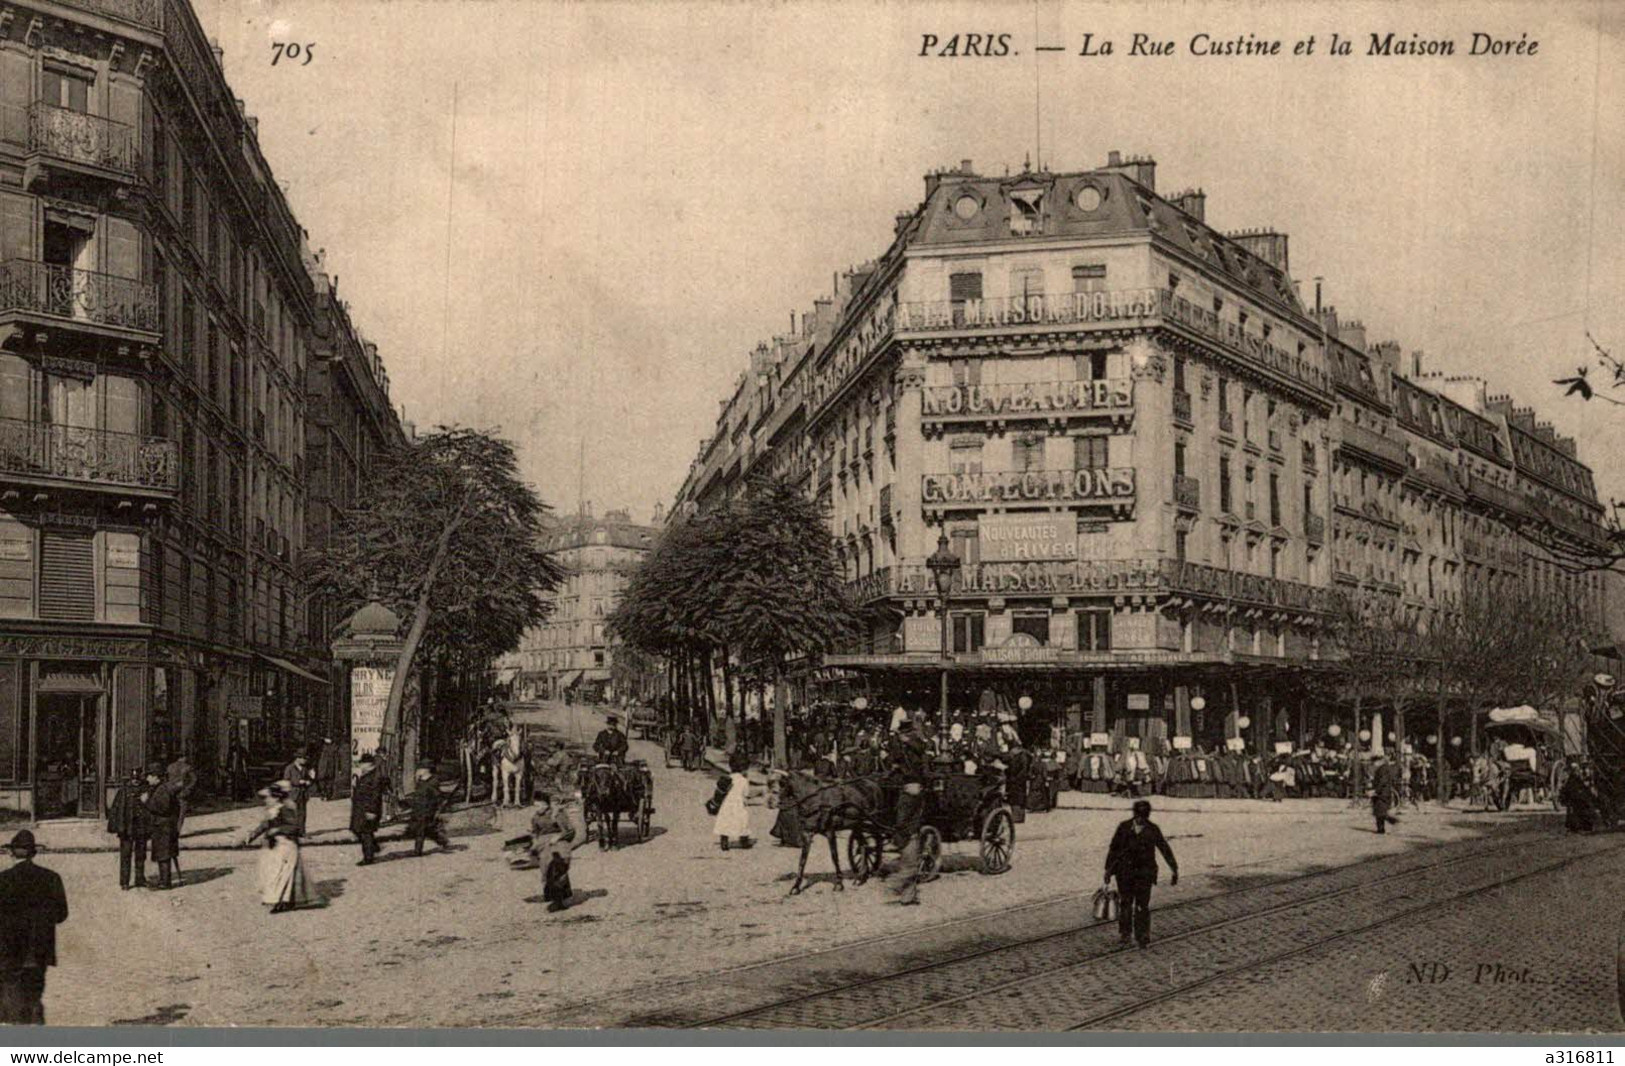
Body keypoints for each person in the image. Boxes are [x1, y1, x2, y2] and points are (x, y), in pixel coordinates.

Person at [0, 830, 67, 1024]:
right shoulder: (51, 877)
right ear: (34, 853)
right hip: (39, 948)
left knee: (10, 992)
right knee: (34, 994)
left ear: (11, 853)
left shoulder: (3, 879)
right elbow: (61, 915)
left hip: (8, 948)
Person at [1103, 799, 1179, 949]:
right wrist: (1108, 870)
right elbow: (1114, 849)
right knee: (1125, 903)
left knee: (1142, 905)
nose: (1141, 820)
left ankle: (1142, 935)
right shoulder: (1124, 828)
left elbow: (1164, 848)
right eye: (1139, 817)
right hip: (1124, 873)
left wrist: (1174, 868)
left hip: (1144, 873)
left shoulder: (1152, 829)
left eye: (1144, 818)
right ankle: (1125, 933)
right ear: (1135, 815)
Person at [243, 782, 318, 914]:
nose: (267, 800)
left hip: (286, 846)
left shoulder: (287, 808)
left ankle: (281, 901)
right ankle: (275, 897)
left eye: (269, 797)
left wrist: (277, 830)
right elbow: (265, 824)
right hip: (274, 846)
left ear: (276, 797)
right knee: (272, 873)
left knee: (283, 875)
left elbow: (294, 827)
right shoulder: (272, 810)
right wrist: (252, 836)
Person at [886, 718, 930, 905]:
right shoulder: (902, 745)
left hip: (913, 786)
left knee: (907, 834)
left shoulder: (916, 744)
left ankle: (903, 887)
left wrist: (906, 742)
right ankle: (908, 894)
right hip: (907, 785)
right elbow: (894, 759)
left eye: (904, 733)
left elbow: (920, 752)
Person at [527, 793, 586, 912]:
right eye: (535, 806)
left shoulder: (557, 815)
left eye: (538, 805)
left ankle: (558, 901)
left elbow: (570, 831)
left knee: (558, 869)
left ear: (545, 804)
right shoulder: (535, 817)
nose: (537, 808)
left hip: (558, 845)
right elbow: (535, 832)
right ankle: (554, 896)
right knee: (545, 870)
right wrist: (533, 842)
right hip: (543, 846)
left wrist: (558, 837)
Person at [107, 768, 151, 890]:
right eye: (133, 779)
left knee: (141, 855)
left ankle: (140, 879)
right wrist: (117, 827)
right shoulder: (124, 791)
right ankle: (124, 882)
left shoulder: (146, 790)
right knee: (125, 855)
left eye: (137, 779)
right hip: (127, 829)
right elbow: (116, 809)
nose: (135, 781)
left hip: (141, 827)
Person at [143, 763, 183, 889]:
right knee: (163, 854)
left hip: (163, 826)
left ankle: (165, 883)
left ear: (156, 777)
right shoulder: (162, 788)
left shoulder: (162, 790)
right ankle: (164, 880)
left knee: (163, 855)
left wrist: (146, 802)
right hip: (165, 826)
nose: (147, 779)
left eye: (149, 776)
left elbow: (162, 808)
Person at [711, 750, 756, 850]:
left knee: (725, 822)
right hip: (738, 804)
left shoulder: (727, 778)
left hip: (726, 804)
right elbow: (746, 793)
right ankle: (744, 841)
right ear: (744, 768)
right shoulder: (743, 780)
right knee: (742, 821)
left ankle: (724, 841)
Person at [403, 767, 451, 856]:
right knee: (426, 829)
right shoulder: (421, 782)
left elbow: (438, 796)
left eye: (418, 771)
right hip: (418, 809)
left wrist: (437, 809)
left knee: (420, 829)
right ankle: (442, 841)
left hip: (427, 809)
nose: (416, 773)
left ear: (424, 771)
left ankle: (418, 851)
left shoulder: (432, 782)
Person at [350, 752, 386, 865]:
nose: (360, 766)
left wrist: (372, 811)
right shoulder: (366, 774)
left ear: (368, 764)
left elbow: (376, 796)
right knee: (357, 830)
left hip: (368, 809)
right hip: (360, 809)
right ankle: (374, 847)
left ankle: (368, 858)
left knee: (366, 833)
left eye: (362, 763)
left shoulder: (375, 776)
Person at [282, 751, 315, 835]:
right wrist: (298, 782)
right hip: (293, 794)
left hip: (303, 794)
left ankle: (302, 832)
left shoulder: (305, 768)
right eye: (303, 758)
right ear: (297, 758)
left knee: (302, 814)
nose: (305, 760)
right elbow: (286, 780)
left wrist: (310, 780)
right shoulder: (289, 768)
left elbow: (309, 779)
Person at [1371, 754, 1400, 833]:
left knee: (1380, 811)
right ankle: (1382, 828)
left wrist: (1376, 791)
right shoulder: (1383, 768)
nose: (1374, 763)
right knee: (1379, 811)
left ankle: (1386, 825)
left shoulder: (1383, 769)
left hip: (1382, 793)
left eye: (1375, 762)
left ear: (1379, 761)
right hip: (1383, 792)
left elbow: (1382, 781)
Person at [315, 736, 342, 802]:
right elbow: (316, 756)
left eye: (329, 738)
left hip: (330, 766)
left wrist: (339, 768)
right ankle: (323, 794)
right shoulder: (320, 746)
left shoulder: (335, 747)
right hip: (321, 765)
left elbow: (338, 758)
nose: (328, 740)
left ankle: (328, 795)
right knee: (321, 780)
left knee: (330, 780)